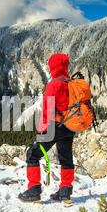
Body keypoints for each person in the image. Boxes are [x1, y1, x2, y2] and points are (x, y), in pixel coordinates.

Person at [18, 53, 76, 203]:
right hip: (69, 126)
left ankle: (34, 190)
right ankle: (65, 191)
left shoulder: (54, 85)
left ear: (53, 67)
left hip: (54, 127)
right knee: (66, 158)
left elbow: (47, 111)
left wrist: (41, 132)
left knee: (32, 154)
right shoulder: (72, 84)